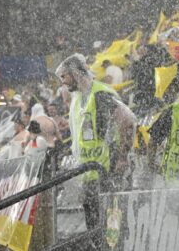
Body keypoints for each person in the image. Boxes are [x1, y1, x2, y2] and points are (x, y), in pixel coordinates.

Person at [55, 53, 137, 232]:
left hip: (107, 172)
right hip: (89, 174)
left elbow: (128, 120)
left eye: (64, 76)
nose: (63, 82)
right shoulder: (78, 99)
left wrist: (123, 157)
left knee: (112, 229)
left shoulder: (100, 94)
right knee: (94, 228)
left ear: (76, 73)